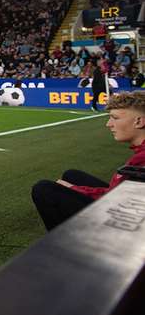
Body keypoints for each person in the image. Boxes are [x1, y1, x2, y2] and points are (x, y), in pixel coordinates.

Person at [31, 91, 145, 231]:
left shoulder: (140, 160)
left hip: (128, 224)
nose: (108, 124)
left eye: (115, 118)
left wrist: (73, 189)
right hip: (132, 208)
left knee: (44, 190)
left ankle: (65, 249)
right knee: (72, 175)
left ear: (139, 122)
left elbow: (112, 199)